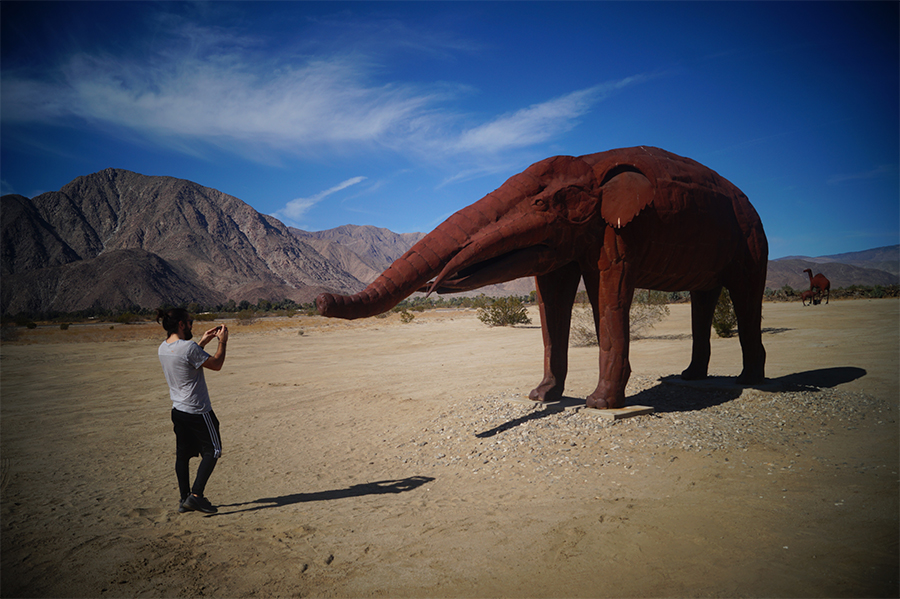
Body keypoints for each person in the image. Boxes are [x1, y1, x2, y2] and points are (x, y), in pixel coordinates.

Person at [156, 307, 228, 514]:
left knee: (183, 456)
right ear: (180, 324)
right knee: (213, 450)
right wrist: (222, 341)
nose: (191, 325)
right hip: (198, 410)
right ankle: (196, 496)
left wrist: (203, 342)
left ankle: (184, 498)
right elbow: (216, 365)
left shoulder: (163, 347)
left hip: (178, 410)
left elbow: (185, 358)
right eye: (189, 322)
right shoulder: (188, 348)